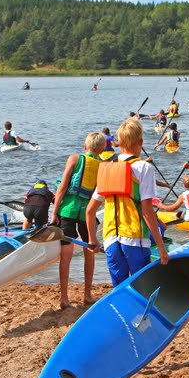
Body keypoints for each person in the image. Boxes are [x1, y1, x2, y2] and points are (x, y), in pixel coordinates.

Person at [85, 118, 169, 286]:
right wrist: (161, 247)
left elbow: (90, 210)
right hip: (134, 238)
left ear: (119, 142)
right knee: (141, 286)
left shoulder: (107, 168)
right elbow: (147, 211)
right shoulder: (144, 168)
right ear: (141, 142)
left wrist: (92, 238)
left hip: (110, 239)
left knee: (120, 289)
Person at [51, 132, 105, 308]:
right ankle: (87, 295)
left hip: (68, 210)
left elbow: (63, 186)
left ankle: (64, 298)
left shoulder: (74, 159)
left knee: (65, 255)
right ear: (103, 149)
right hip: (87, 214)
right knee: (89, 251)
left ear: (85, 146)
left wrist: (54, 212)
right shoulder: (102, 166)